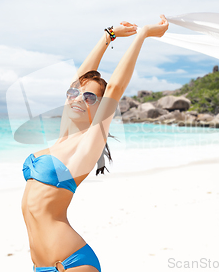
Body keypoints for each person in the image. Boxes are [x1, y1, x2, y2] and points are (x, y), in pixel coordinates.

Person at [21, 15, 169, 272]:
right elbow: (79, 81)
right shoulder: (63, 136)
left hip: (71, 263)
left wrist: (143, 34)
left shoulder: (89, 141)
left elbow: (115, 89)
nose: (79, 98)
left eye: (89, 97)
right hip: (40, 267)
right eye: (75, 93)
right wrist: (108, 36)